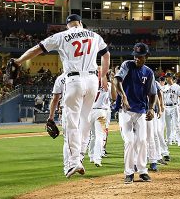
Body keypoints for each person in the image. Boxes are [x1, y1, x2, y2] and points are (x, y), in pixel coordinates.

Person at [13, 14, 110, 178]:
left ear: (68, 26)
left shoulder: (62, 35)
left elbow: (37, 49)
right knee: (85, 121)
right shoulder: (94, 35)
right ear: (80, 23)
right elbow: (106, 55)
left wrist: (19, 61)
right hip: (93, 80)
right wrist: (103, 76)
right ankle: (80, 157)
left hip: (73, 79)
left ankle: (73, 163)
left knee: (71, 123)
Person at [114, 42, 157, 184]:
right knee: (129, 141)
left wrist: (151, 108)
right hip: (125, 111)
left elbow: (152, 94)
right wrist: (124, 97)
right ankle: (129, 173)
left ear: (146, 56)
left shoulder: (149, 72)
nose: (137, 59)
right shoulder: (127, 65)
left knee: (142, 140)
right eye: (136, 56)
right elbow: (117, 80)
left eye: (140, 56)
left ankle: (143, 171)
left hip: (141, 111)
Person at [88, 70, 116, 167]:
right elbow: (114, 97)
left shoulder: (91, 83)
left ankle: (91, 156)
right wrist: (112, 82)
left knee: (92, 135)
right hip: (101, 112)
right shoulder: (107, 85)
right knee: (100, 135)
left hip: (90, 111)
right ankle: (97, 159)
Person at [162, 72, 180, 146]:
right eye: (165, 77)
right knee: (168, 126)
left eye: (167, 77)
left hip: (174, 106)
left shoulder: (177, 87)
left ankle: (179, 141)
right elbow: (161, 97)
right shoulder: (164, 87)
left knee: (176, 124)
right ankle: (169, 141)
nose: (166, 78)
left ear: (171, 78)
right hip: (166, 107)